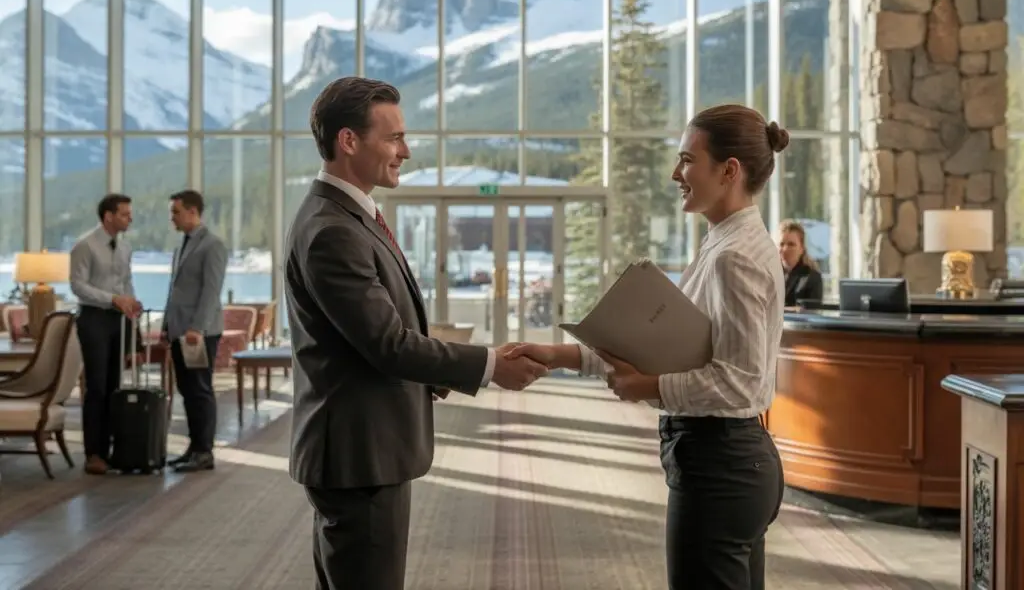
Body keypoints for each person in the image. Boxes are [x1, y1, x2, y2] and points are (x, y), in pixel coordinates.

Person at [507, 104, 789, 590]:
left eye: (686, 160)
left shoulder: (733, 257)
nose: (675, 173)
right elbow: (664, 346)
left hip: (720, 467)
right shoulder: (726, 242)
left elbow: (738, 382)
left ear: (729, 170)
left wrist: (648, 387)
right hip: (733, 463)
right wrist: (560, 355)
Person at [285, 76, 547, 590]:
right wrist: (491, 365)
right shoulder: (333, 230)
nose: (406, 151)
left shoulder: (350, 216)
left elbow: (380, 335)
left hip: (365, 451)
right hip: (359, 458)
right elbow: (387, 344)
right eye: (394, 137)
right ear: (349, 141)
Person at [70, 193, 142, 475]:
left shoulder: (125, 248)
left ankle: (112, 450)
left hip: (118, 320)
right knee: (96, 386)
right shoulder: (85, 245)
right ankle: (93, 453)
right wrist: (113, 299)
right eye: (125, 214)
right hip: (94, 319)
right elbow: (77, 286)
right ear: (108, 216)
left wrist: (132, 305)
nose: (130, 218)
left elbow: (126, 282)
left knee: (114, 386)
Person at [161, 189, 228, 473]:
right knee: (187, 390)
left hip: (199, 333)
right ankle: (193, 447)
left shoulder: (212, 245)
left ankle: (204, 452)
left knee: (200, 390)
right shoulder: (182, 246)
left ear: (192, 211)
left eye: (175, 212)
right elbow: (175, 291)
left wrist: (197, 328)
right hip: (180, 330)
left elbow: (211, 291)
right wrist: (167, 325)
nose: (172, 218)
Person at [778, 219, 824, 307]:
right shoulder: (770, 275)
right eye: (781, 244)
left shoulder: (811, 277)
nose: (785, 249)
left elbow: (812, 311)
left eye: (791, 244)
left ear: (802, 248)